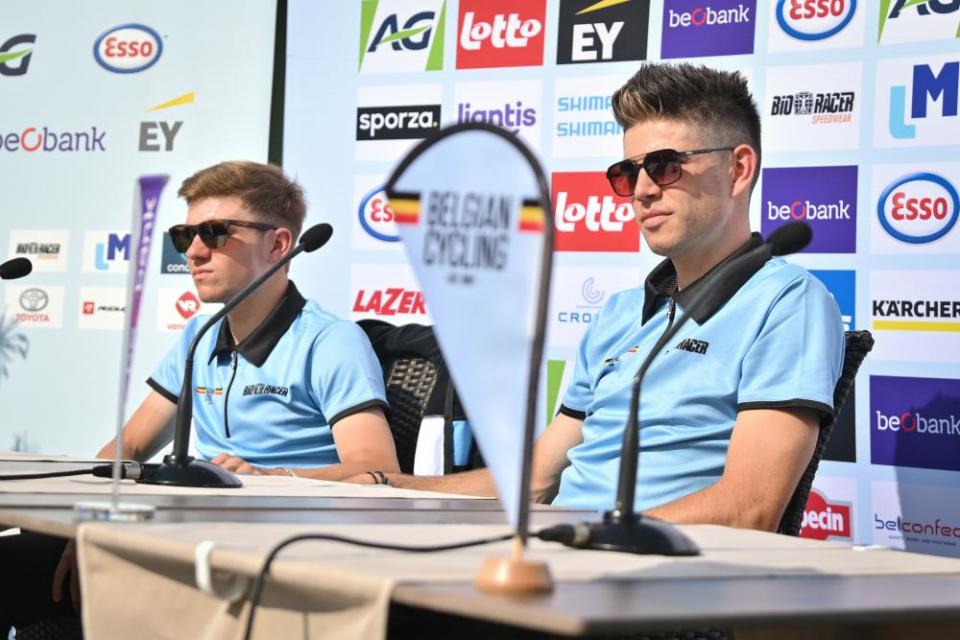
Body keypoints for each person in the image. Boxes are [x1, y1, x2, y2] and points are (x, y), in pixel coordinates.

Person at [349, 63, 844, 533]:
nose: (643, 191)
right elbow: (535, 482)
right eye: (629, 174)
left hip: (651, 586)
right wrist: (388, 486)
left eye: (666, 165)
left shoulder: (788, 302)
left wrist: (583, 535)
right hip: (561, 553)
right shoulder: (621, 312)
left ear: (738, 169)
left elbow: (748, 508)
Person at [0, 160, 400, 634]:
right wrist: (85, 526)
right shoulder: (199, 333)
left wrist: (273, 477)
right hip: (181, 536)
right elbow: (127, 447)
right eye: (183, 235)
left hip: (271, 553)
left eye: (214, 232)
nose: (192, 252)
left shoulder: (330, 340)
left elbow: (378, 468)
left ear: (278, 244)